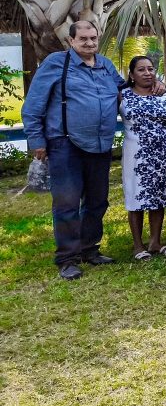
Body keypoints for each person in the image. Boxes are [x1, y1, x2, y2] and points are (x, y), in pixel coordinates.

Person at [22, 21, 127, 279]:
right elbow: (33, 104)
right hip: (65, 143)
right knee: (67, 203)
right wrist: (37, 141)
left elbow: (124, 90)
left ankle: (89, 249)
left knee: (97, 201)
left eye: (93, 38)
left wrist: (151, 87)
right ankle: (67, 258)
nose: (90, 43)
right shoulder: (56, 64)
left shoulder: (105, 65)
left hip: (100, 144)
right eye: (84, 39)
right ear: (71, 41)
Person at [120, 55, 166, 261]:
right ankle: (137, 245)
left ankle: (155, 241)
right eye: (141, 70)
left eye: (151, 69)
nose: (147, 73)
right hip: (137, 154)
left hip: (162, 152)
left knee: (158, 197)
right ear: (132, 75)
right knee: (136, 197)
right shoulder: (122, 94)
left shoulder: (164, 94)